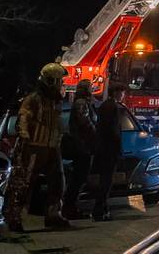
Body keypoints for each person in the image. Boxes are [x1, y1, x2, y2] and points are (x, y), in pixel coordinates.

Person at [4, 62, 70, 232]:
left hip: (52, 147)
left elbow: (57, 123)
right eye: (59, 81)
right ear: (50, 81)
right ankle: (14, 217)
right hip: (34, 147)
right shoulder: (33, 99)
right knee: (24, 183)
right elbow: (23, 118)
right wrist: (24, 137)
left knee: (58, 182)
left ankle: (53, 215)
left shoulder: (55, 102)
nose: (61, 85)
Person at [61, 79, 98, 220]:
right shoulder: (81, 103)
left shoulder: (84, 102)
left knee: (80, 179)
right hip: (82, 148)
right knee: (78, 179)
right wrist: (97, 133)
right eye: (90, 87)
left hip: (85, 147)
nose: (92, 89)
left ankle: (71, 207)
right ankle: (69, 208)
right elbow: (85, 124)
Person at [91, 83, 128, 220]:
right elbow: (113, 131)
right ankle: (99, 210)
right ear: (117, 93)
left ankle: (102, 209)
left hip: (104, 149)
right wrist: (119, 149)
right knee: (106, 181)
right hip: (109, 150)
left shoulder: (105, 105)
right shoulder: (112, 107)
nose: (123, 95)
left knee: (105, 180)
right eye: (122, 92)